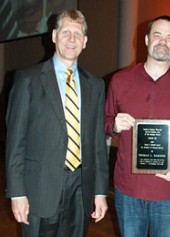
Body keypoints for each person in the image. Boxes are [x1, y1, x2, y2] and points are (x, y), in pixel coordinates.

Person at [5, 10, 109, 237]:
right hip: (39, 189)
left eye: (77, 33)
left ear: (85, 41)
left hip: (81, 188)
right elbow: (15, 142)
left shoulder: (95, 85)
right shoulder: (28, 79)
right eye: (66, 32)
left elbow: (97, 144)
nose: (72, 39)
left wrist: (100, 192)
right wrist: (17, 194)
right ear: (54, 36)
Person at [105, 15, 170, 237]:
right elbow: (104, 121)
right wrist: (113, 125)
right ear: (146, 39)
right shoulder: (120, 81)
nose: (163, 42)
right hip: (128, 189)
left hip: (168, 191)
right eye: (157, 35)